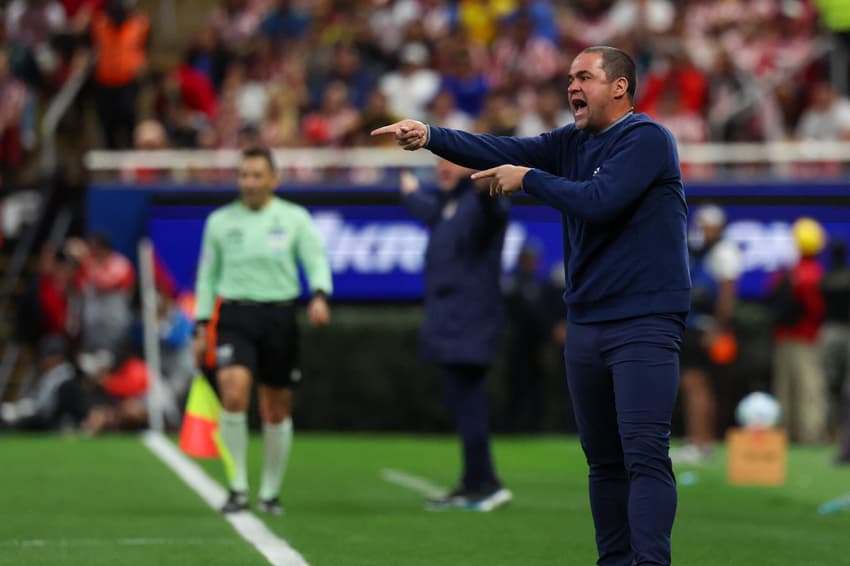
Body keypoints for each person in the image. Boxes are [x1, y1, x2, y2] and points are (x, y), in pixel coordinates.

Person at [373, 46, 690, 565]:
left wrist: (529, 178)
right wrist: (430, 135)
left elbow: (601, 200)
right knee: (603, 462)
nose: (572, 86)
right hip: (586, 319)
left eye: (584, 77)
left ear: (620, 87)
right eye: (570, 78)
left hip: (643, 320)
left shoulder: (647, 138)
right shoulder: (570, 142)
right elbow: (499, 147)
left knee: (644, 454)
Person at [193, 146, 333, 515]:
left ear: (273, 179)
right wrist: (201, 324)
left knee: (275, 407)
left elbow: (315, 259)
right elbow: (207, 275)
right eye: (244, 175)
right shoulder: (220, 221)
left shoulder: (294, 218)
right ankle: (237, 486)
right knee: (233, 394)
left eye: (257, 175)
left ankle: (270, 492)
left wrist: (320, 295)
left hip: (279, 316)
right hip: (235, 315)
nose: (250, 183)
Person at [400, 161, 513, 512]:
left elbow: (494, 211)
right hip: (453, 325)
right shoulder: (450, 205)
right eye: (439, 162)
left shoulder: (477, 203)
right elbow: (433, 214)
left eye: (452, 161)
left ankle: (483, 484)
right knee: (464, 405)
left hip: (470, 323)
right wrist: (410, 194)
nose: (443, 168)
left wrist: (485, 189)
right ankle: (477, 480)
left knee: (469, 405)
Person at [673, 205, 742, 464]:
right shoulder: (699, 253)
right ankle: (698, 441)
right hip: (694, 327)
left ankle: (700, 443)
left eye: (708, 227)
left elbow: (727, 297)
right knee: (694, 385)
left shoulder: (724, 252)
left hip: (705, 328)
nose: (703, 231)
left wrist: (718, 328)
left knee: (697, 385)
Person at [768, 217, 826, 445]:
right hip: (806, 338)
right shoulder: (813, 273)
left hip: (784, 336)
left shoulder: (787, 273)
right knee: (809, 389)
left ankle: (784, 434)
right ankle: (810, 436)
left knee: (784, 388)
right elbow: (817, 309)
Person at [820, 239, 850, 463]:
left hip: (834, 332)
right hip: (834, 331)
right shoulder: (829, 278)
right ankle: (838, 440)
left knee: (838, 389)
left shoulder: (828, 278)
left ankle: (841, 441)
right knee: (835, 389)